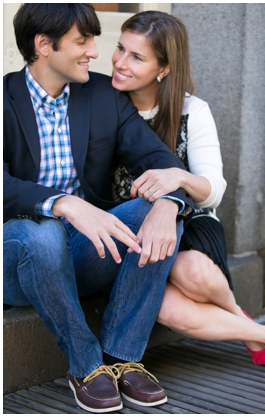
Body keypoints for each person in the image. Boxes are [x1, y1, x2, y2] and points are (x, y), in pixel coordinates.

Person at [3, 4, 194, 413]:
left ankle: (122, 356)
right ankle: (86, 366)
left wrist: (167, 204)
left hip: (84, 254)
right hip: (17, 257)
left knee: (160, 217)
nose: (94, 49)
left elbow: (161, 161)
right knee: (43, 230)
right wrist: (63, 202)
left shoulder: (104, 96)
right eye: (82, 40)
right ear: (43, 45)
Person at [107, 11, 265, 365]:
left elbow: (214, 189)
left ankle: (238, 316)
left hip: (190, 223)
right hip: (128, 230)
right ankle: (261, 332)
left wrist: (180, 178)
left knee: (193, 271)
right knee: (169, 310)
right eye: (120, 49)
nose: (120, 63)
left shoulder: (191, 111)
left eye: (136, 57)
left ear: (164, 68)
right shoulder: (102, 104)